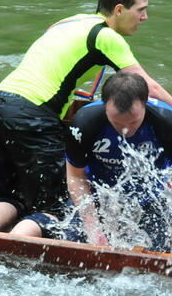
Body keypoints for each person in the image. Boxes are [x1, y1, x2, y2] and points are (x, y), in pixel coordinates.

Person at [0, 0, 172, 232]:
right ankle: (12, 250)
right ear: (119, 10)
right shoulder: (107, 37)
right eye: (141, 10)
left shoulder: (71, 21)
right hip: (32, 115)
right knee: (60, 208)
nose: (144, 17)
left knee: (10, 193)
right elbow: (148, 88)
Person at [12, 72, 172, 252]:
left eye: (134, 122)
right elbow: (75, 176)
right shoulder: (85, 122)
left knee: (159, 251)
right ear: (105, 107)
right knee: (72, 241)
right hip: (99, 195)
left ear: (146, 102)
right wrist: (92, 224)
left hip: (149, 198)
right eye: (117, 124)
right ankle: (16, 238)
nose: (126, 131)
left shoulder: (166, 121)